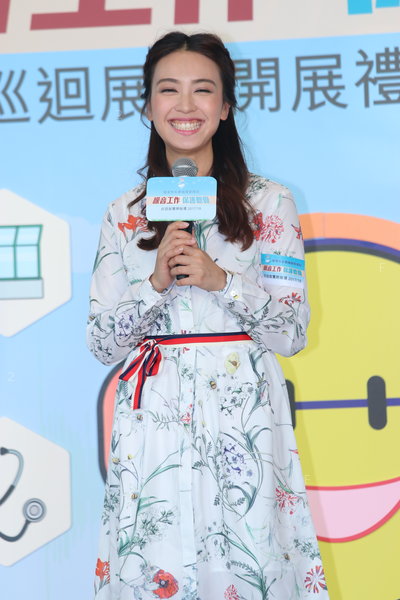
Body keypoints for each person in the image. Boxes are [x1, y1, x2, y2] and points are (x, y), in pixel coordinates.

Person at [88, 31, 329, 600]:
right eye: (168, 89)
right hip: (154, 417)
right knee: (157, 565)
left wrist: (222, 282)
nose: (185, 105)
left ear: (224, 107)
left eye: (202, 90)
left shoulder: (269, 202)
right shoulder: (124, 214)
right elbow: (100, 344)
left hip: (242, 414)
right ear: (149, 106)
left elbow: (292, 333)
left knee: (250, 560)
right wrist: (156, 285)